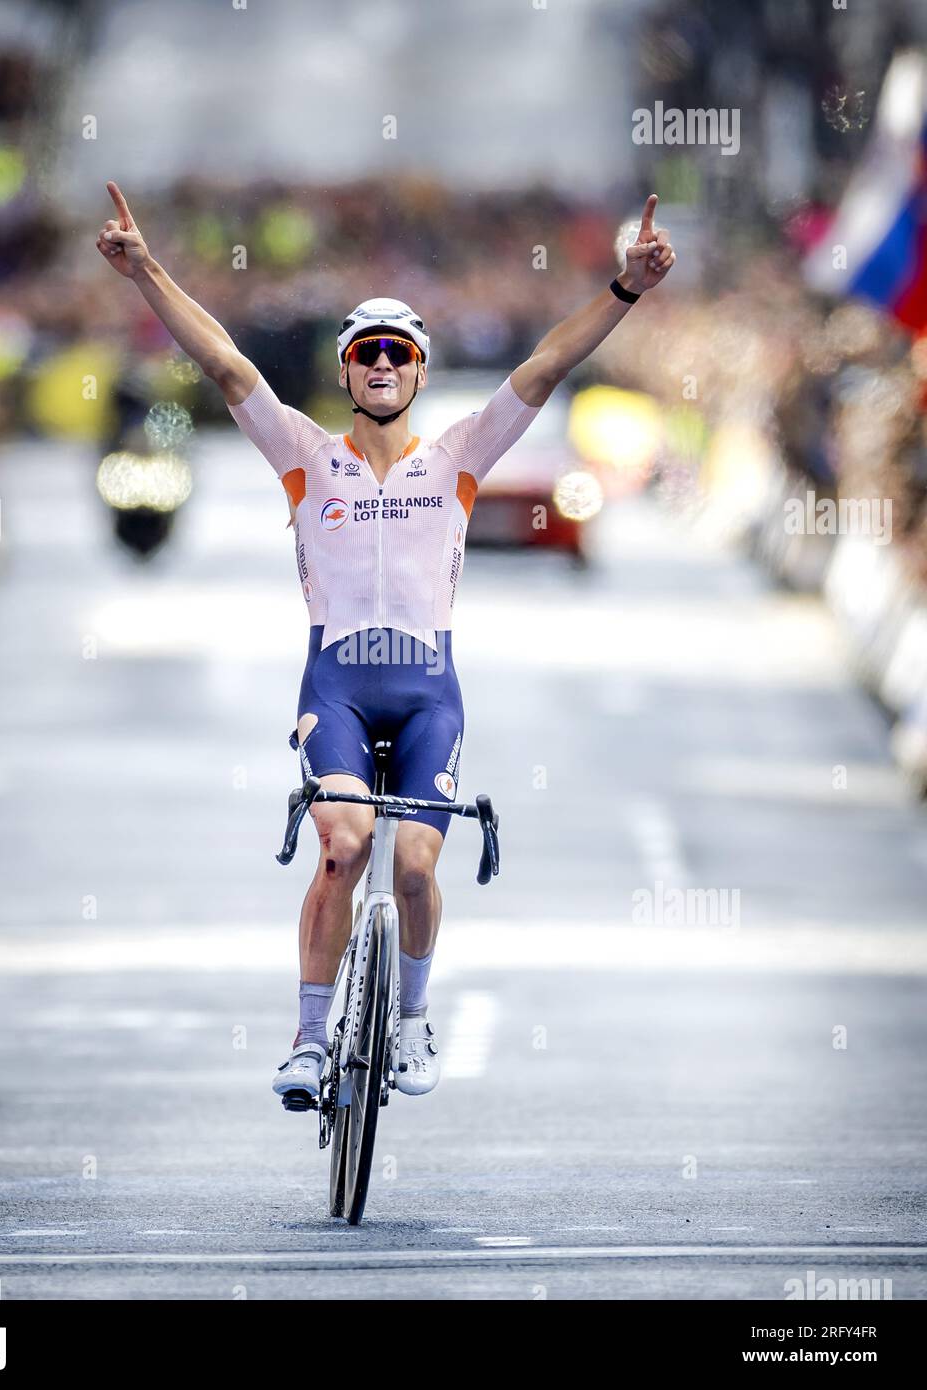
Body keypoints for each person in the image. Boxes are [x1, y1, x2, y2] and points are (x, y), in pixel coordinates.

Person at [95, 182, 675, 1107]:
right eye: (364, 353)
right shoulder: (305, 455)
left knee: (413, 865)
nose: (380, 366)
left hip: (428, 696)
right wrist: (146, 271)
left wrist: (625, 289)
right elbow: (226, 365)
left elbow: (544, 367)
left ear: (416, 370)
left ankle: (410, 1021)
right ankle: (309, 1039)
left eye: (397, 354)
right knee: (344, 845)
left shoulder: (457, 459)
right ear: (345, 372)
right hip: (335, 689)